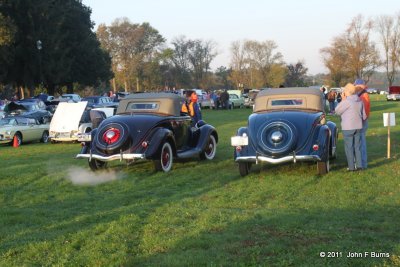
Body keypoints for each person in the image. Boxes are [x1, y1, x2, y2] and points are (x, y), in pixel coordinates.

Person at [335, 83, 367, 171]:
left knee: (349, 147)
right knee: (358, 147)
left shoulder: (346, 102)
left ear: (347, 92)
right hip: (358, 126)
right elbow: (364, 116)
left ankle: (351, 167)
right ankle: (359, 166)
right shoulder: (360, 101)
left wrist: (342, 100)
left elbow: (337, 111)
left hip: (348, 127)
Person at [354, 78, 370, 169]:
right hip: (362, 121)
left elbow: (364, 112)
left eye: (356, 86)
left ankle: (363, 164)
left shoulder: (363, 96)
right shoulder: (362, 94)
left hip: (361, 122)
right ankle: (361, 163)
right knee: (360, 143)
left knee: (361, 143)